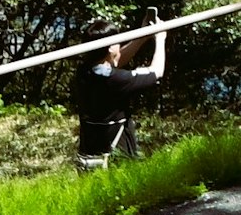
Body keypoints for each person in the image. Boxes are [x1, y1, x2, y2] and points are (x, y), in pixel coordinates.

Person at [71, 26, 169, 167]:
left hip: (91, 155)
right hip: (117, 157)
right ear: (110, 47)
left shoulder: (83, 72)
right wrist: (160, 38)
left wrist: (142, 36)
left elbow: (115, 60)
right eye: (118, 42)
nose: (120, 46)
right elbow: (156, 72)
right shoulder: (117, 80)